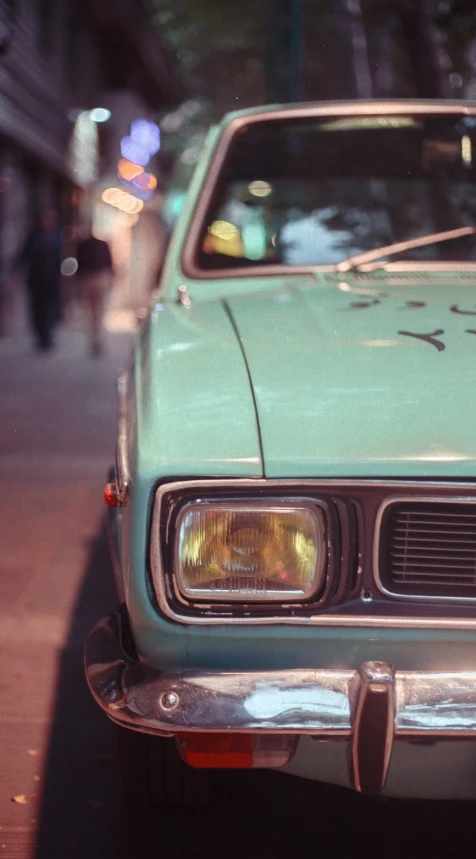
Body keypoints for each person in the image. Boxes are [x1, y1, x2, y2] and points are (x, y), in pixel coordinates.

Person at [22, 210, 62, 351]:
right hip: (36, 279)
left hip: (51, 280)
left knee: (49, 309)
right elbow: (24, 254)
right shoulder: (34, 236)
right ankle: (41, 336)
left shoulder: (57, 236)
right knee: (37, 309)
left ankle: (47, 337)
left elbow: (61, 258)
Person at [76, 226, 113, 356]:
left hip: (95, 278)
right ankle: (97, 339)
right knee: (96, 311)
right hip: (93, 278)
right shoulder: (87, 245)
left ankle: (97, 339)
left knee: (95, 312)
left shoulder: (86, 245)